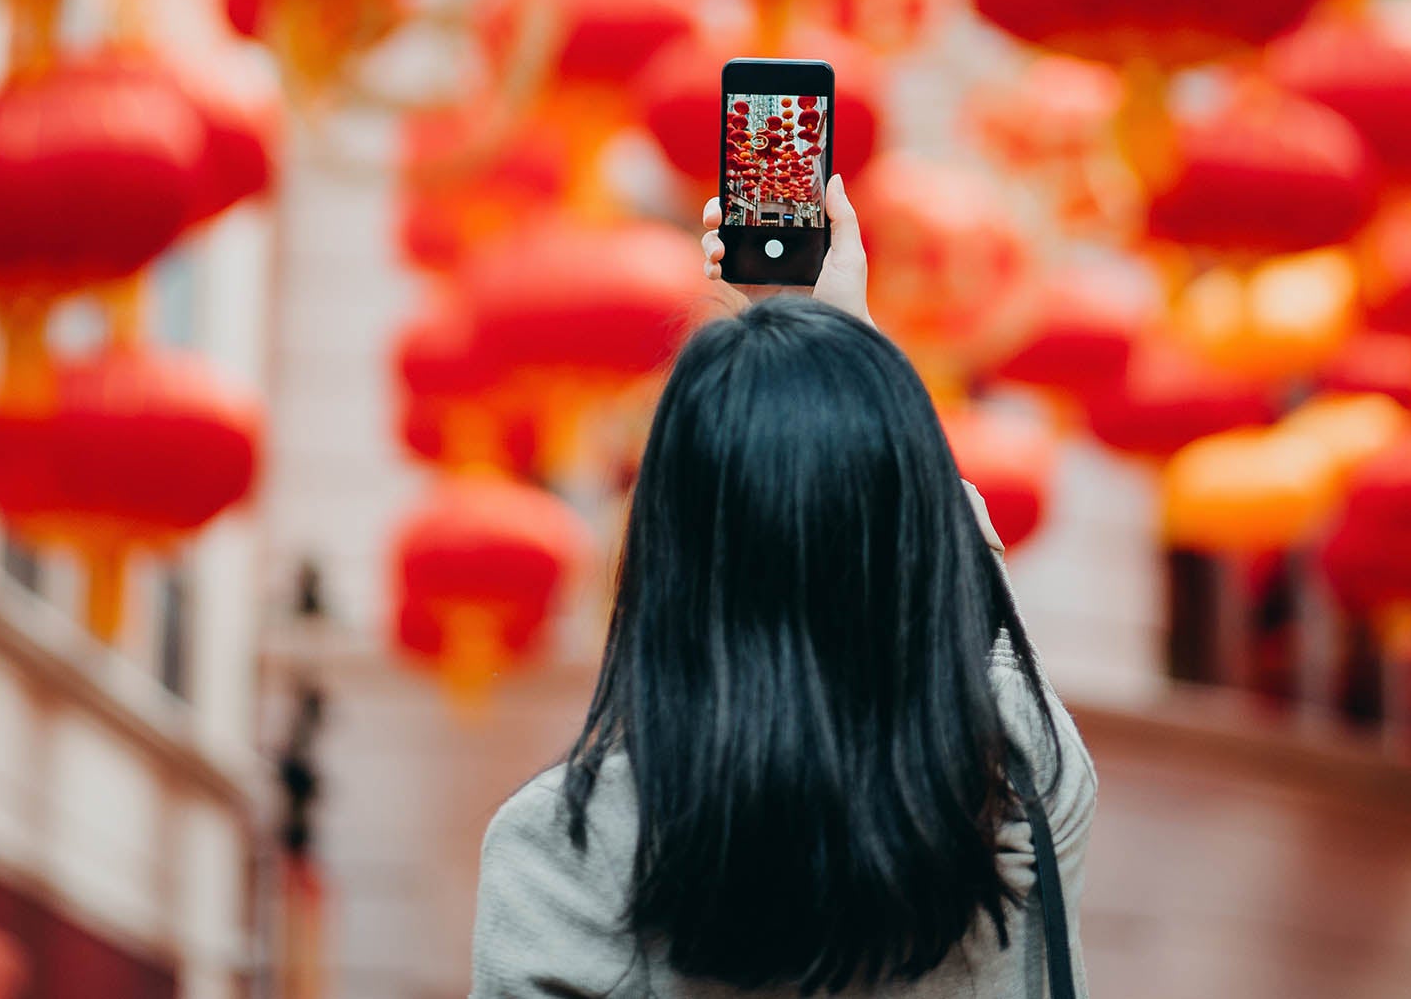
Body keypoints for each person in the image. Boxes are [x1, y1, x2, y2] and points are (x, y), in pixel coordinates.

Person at [470, 175, 1097, 997]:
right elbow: (967, 608)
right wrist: (855, 358)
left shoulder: (564, 849)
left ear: (668, 544)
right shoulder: (1019, 795)